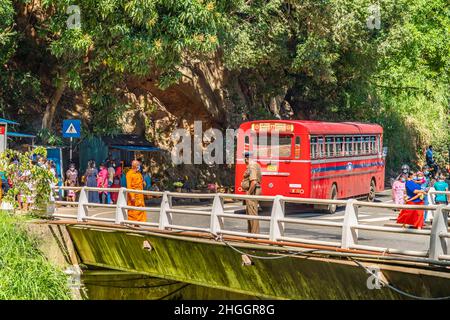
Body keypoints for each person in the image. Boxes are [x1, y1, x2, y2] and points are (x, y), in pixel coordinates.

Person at [241, 151, 262, 234]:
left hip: (253, 191)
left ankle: (254, 235)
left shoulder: (252, 166)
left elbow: (253, 182)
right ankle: (251, 234)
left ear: (247, 159)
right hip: (253, 190)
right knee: (250, 213)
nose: (244, 160)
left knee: (252, 214)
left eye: (245, 159)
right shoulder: (254, 165)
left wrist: (249, 193)